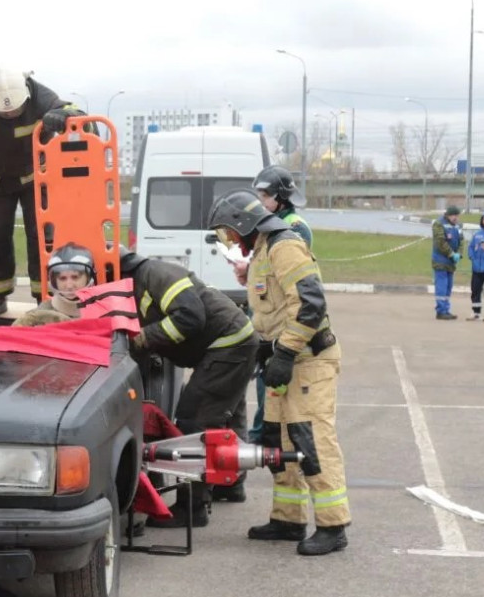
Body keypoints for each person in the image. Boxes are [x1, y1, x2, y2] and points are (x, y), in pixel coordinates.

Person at [209, 189, 349, 556]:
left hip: (308, 361)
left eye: (228, 232)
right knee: (279, 442)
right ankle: (288, 519)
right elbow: (272, 307)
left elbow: (310, 304)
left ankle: (334, 526)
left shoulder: (284, 247)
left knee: (312, 441)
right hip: (282, 360)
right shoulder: (263, 251)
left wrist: (285, 353)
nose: (230, 240)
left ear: (243, 224)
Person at [119, 246, 258, 527]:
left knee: (195, 421)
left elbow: (190, 318)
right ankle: (230, 484)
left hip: (227, 345)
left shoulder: (155, 276)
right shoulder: (141, 281)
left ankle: (192, 508)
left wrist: (147, 337)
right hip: (231, 343)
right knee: (225, 419)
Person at [0, 64, 84, 316]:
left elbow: (80, 118)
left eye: (16, 108)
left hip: (35, 176)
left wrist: (66, 117)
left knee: (41, 238)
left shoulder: (42, 98)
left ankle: (43, 296)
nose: (11, 113)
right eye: (4, 112)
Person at [242, 167, 311, 449]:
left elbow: (289, 274)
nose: (260, 200)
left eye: (265, 195)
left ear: (281, 198)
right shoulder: (269, 226)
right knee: (264, 381)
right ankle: (265, 430)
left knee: (272, 381)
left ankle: (265, 433)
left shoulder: (293, 228)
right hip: (266, 312)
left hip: (283, 319)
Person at [36, 242, 95, 319]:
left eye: (75, 277)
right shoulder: (41, 313)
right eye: (62, 278)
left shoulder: (104, 312)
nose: (69, 286)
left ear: (88, 277)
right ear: (54, 281)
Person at [431, 205, 463, 320]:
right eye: (453, 215)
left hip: (451, 263)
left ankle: (446, 310)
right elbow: (440, 242)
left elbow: (461, 241)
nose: (455, 218)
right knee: (442, 286)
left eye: (457, 215)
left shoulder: (458, 226)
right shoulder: (438, 224)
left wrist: (459, 253)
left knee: (449, 286)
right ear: (448, 215)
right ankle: (440, 311)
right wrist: (451, 254)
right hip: (440, 260)